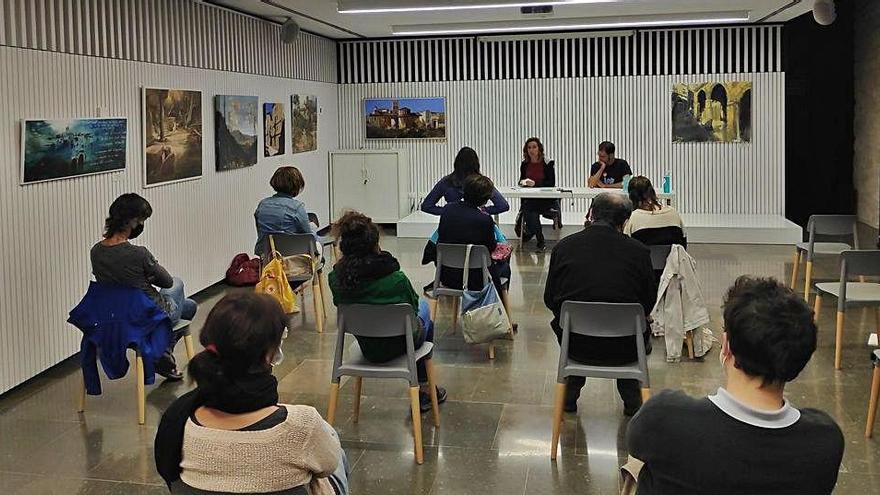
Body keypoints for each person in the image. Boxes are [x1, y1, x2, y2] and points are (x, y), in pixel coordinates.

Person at [626, 276, 844, 495]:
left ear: (726, 346)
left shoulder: (663, 418)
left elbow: (635, 444)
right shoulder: (825, 441)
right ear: (801, 357)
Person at [154, 293, 349, 495]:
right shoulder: (301, 425)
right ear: (268, 354)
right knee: (335, 452)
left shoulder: (178, 421)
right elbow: (329, 463)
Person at [543, 193, 656, 416]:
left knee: (572, 323)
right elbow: (647, 303)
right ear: (624, 221)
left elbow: (550, 298)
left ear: (591, 213)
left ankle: (569, 394)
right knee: (636, 333)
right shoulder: (639, 253)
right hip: (625, 346)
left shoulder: (564, 248)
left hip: (576, 343)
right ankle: (633, 399)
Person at [328, 211, 447, 412]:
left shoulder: (336, 279)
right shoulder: (396, 279)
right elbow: (413, 308)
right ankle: (425, 389)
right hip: (401, 343)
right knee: (426, 311)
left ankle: (426, 388)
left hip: (367, 344)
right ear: (375, 244)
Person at [91, 193, 197, 381]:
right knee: (178, 284)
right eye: (141, 220)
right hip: (148, 318)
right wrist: (146, 275)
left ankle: (163, 354)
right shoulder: (138, 254)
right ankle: (161, 355)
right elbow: (167, 282)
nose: (142, 225)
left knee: (188, 306)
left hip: (115, 318)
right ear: (131, 222)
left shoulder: (96, 251)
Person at [438, 174, 511, 296]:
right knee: (505, 267)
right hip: (477, 279)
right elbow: (490, 249)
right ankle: (498, 303)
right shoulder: (485, 220)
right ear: (485, 199)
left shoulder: (447, 210)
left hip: (448, 276)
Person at [421, 146, 509, 216]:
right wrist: (483, 210)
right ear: (476, 164)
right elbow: (503, 205)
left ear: (456, 163)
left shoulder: (447, 181)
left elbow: (426, 206)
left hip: (452, 226)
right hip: (477, 226)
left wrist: (447, 211)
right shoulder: (480, 182)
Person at [254, 165, 318, 256]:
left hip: (266, 255)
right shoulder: (297, 207)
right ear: (297, 185)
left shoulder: (262, 205)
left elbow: (261, 231)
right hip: (291, 256)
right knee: (315, 233)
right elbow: (308, 236)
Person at [518, 137, 557, 252]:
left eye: (534, 147)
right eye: (529, 147)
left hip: (545, 199)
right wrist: (522, 182)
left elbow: (551, 183)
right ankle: (540, 240)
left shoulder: (547, 162)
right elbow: (521, 180)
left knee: (528, 209)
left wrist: (535, 184)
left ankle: (534, 235)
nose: (531, 150)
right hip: (530, 198)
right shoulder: (525, 164)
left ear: (539, 149)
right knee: (530, 209)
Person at [624, 176, 686, 246]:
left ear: (631, 197)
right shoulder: (673, 213)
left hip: (644, 256)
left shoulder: (633, 218)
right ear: (652, 192)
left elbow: (627, 246)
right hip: (673, 256)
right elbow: (683, 243)